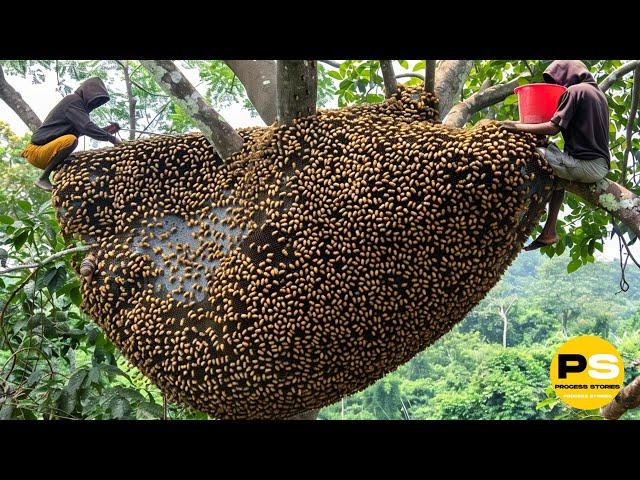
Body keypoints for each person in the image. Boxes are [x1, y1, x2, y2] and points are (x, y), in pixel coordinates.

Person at [501, 60, 610, 251]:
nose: (559, 86)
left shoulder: (575, 91)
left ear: (567, 75)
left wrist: (515, 126)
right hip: (599, 165)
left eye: (558, 80)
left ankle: (512, 215)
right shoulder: (599, 95)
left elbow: (552, 128)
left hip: (586, 166)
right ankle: (549, 230)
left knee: (531, 154)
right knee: (558, 179)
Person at [21, 77, 121, 192]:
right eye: (95, 100)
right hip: (37, 151)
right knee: (71, 140)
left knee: (75, 153)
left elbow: (83, 129)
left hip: (48, 151)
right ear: (87, 93)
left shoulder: (78, 107)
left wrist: (106, 130)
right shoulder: (73, 101)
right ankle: (43, 178)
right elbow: (86, 127)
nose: (95, 104)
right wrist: (112, 139)